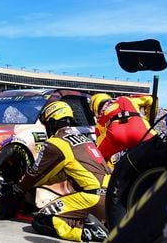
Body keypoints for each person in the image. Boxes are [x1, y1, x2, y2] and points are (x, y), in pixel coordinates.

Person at [18, 101, 111, 242]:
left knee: (41, 219)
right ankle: (98, 223)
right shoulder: (85, 139)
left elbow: (35, 175)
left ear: (53, 122)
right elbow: (62, 174)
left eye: (47, 124)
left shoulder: (56, 143)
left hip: (92, 198)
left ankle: (86, 232)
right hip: (110, 197)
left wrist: (19, 185)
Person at [89, 93, 157, 167]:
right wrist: (147, 119)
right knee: (159, 148)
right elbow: (151, 99)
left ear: (95, 107)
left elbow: (102, 149)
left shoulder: (99, 123)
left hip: (116, 136)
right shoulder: (125, 99)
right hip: (141, 130)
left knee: (99, 154)